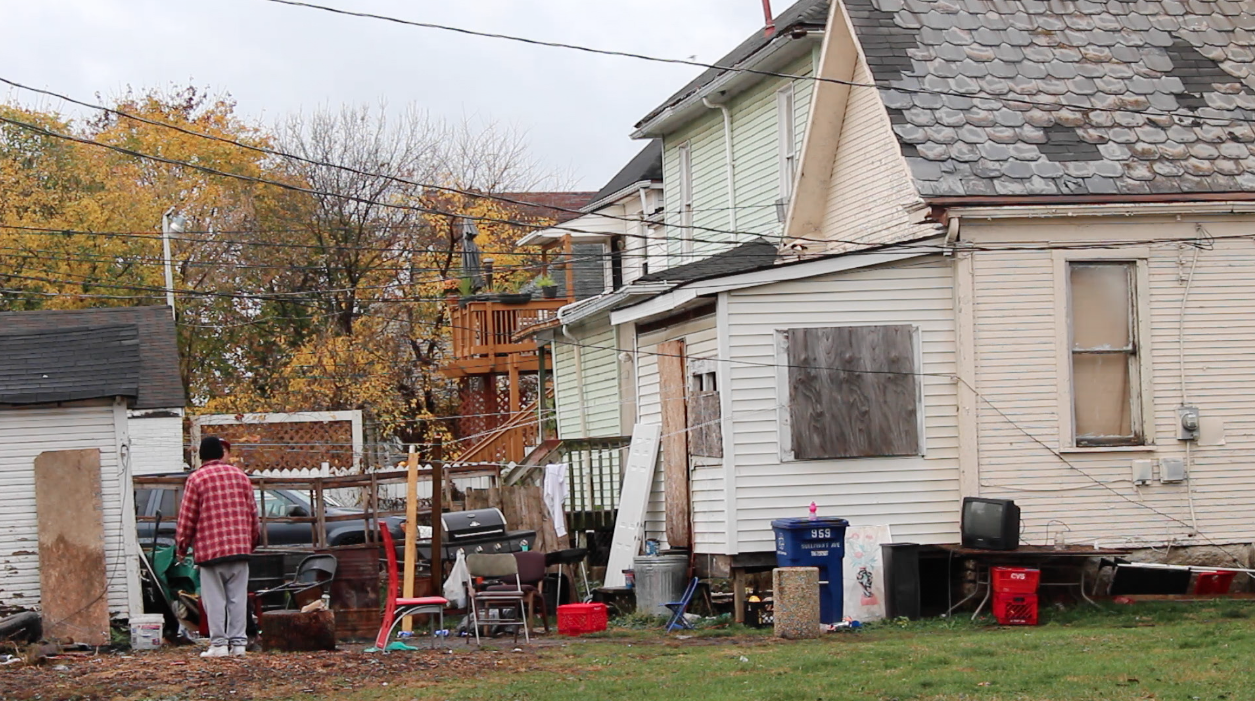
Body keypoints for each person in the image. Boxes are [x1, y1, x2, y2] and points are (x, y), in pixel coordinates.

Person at [176, 437, 260, 658]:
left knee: (215, 600)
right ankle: (239, 644)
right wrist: (251, 542)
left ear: (202, 456)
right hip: (240, 548)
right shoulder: (241, 477)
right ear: (222, 453)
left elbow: (187, 518)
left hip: (210, 550)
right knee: (238, 598)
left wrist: (182, 547)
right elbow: (253, 515)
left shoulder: (196, 479)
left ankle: (219, 645)